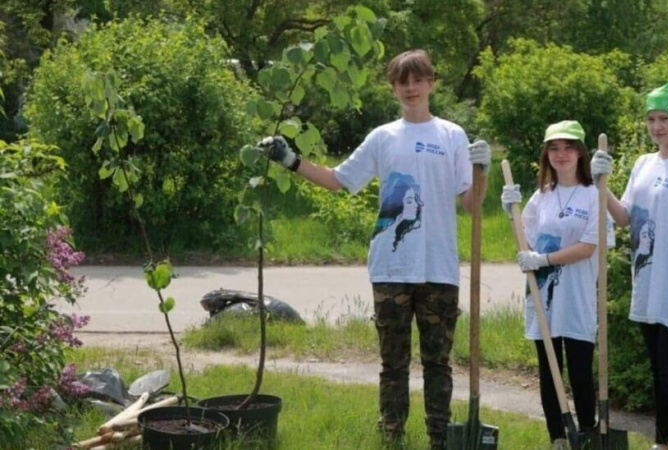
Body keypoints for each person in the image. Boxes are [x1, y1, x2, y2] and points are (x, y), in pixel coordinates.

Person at [257, 49, 490, 450]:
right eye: (403, 81)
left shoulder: (452, 135)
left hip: (439, 268)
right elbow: (337, 180)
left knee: (438, 364)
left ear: (432, 83)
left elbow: (470, 204)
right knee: (393, 364)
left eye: (418, 80)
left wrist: (480, 171)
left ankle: (441, 439)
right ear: (393, 88)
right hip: (391, 266)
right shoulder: (383, 137)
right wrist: (290, 159)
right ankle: (391, 436)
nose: (411, 88)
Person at [590, 80, 668, 450]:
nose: (657, 126)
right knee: (659, 373)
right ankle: (664, 443)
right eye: (651, 119)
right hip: (647, 283)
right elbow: (625, 218)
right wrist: (603, 185)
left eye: (664, 118)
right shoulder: (643, 164)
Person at [501, 120, 613, 450]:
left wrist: (544, 260)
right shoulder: (541, 196)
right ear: (546, 154)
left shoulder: (595, 196)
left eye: (568, 147)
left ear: (581, 153)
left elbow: (589, 247)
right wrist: (512, 214)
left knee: (579, 372)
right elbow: (526, 243)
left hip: (577, 298)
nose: (560, 154)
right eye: (554, 148)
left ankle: (589, 432)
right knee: (549, 371)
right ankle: (558, 438)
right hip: (542, 297)